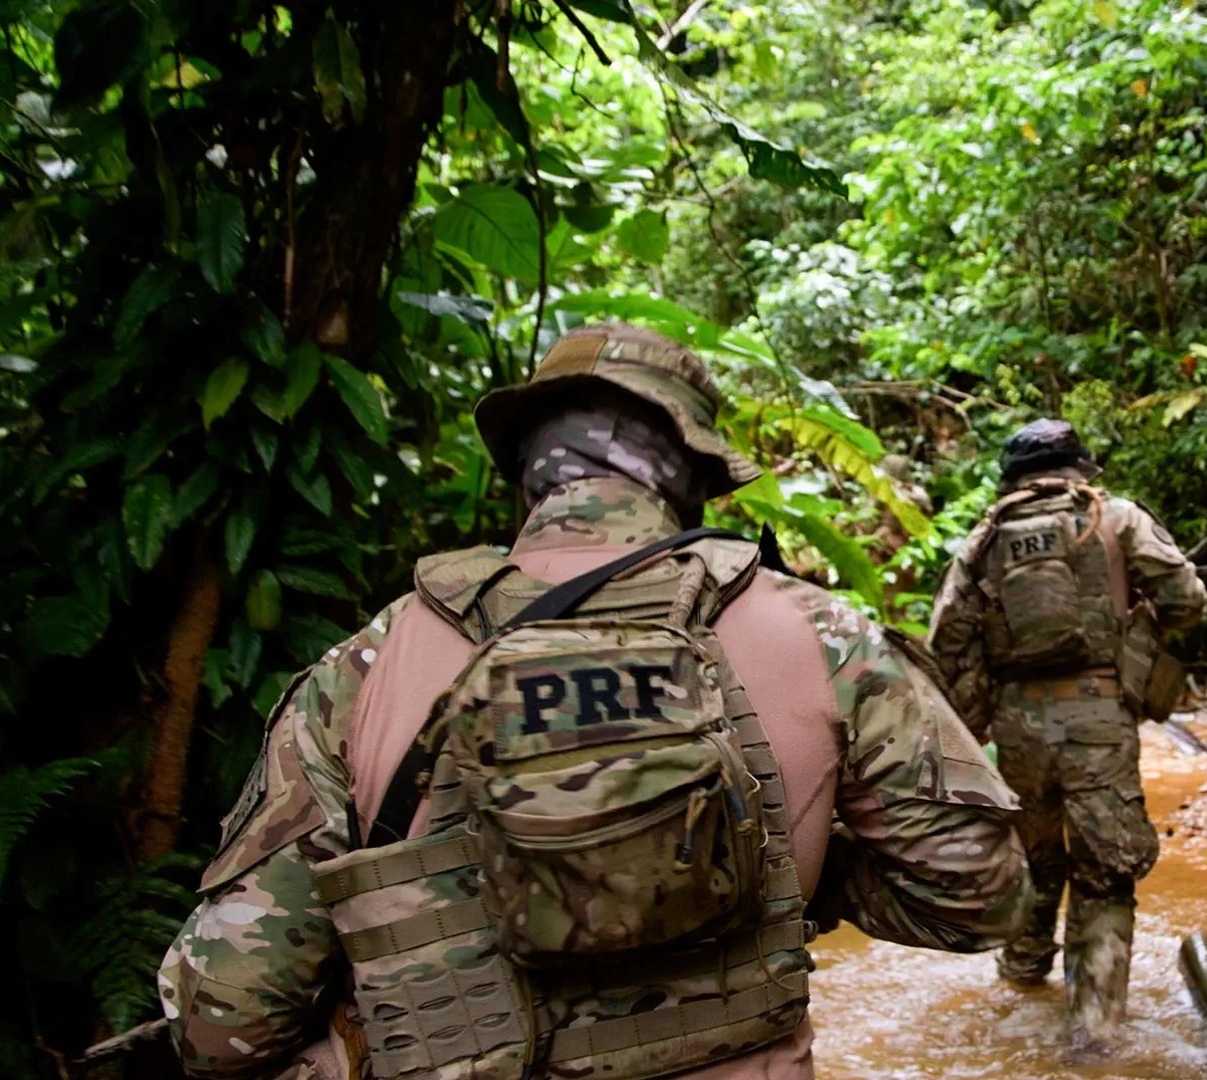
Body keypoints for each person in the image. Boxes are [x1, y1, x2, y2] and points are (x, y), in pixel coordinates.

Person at [158, 323, 1032, 1080]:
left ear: (528, 473)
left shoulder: (373, 659)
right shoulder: (819, 634)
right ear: (689, 475)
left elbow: (222, 1021)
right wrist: (767, 866)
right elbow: (980, 895)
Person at [927, 418, 1206, 1051]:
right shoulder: (1117, 519)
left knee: (1036, 859)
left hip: (1017, 728)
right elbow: (1188, 599)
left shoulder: (986, 538)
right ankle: (1092, 1036)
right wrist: (1139, 626)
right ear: (1081, 466)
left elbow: (946, 641)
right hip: (1099, 719)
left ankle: (1020, 986)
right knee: (1105, 874)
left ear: (1013, 478)